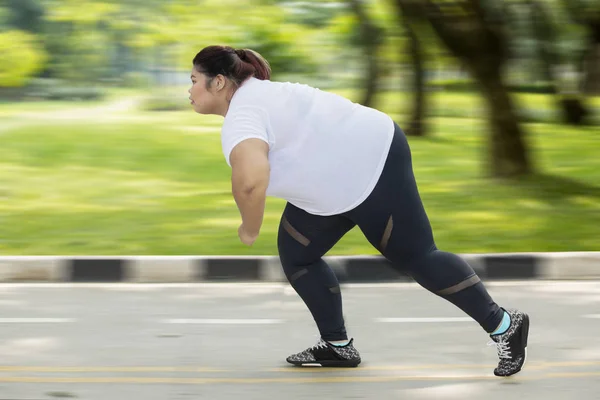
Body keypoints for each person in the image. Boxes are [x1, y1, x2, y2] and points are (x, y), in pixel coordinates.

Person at [188, 45, 530, 377]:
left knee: (417, 257)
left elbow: (250, 181)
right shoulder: (257, 96)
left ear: (218, 82)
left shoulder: (244, 114)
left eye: (193, 80)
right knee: (298, 256)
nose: (189, 89)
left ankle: (503, 325)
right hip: (330, 180)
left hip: (372, 163)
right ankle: (337, 345)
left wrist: (250, 227)